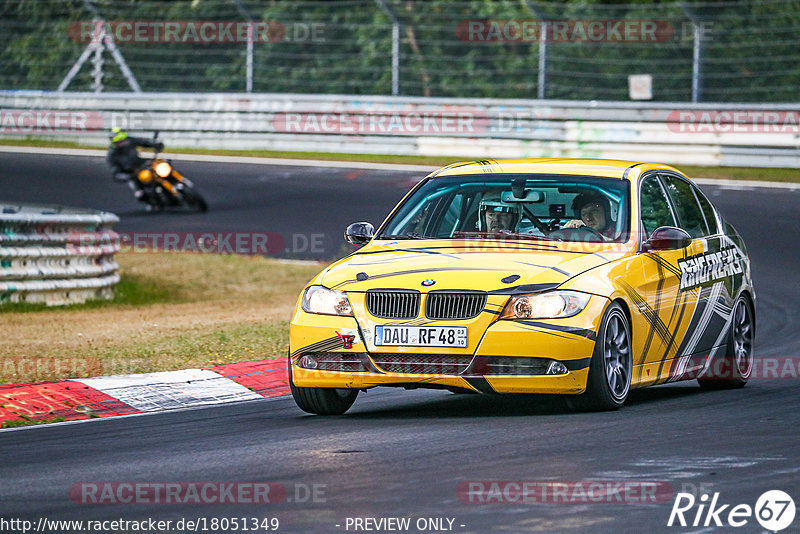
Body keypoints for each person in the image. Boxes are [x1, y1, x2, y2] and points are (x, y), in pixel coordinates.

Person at [106, 128, 163, 202]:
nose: (123, 143)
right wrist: (127, 176)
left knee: (163, 163)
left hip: (142, 164)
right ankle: (152, 202)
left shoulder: (130, 140)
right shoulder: (112, 155)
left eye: (123, 141)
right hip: (132, 174)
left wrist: (154, 144)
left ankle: (180, 180)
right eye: (120, 142)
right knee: (140, 193)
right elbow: (115, 173)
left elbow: (142, 142)